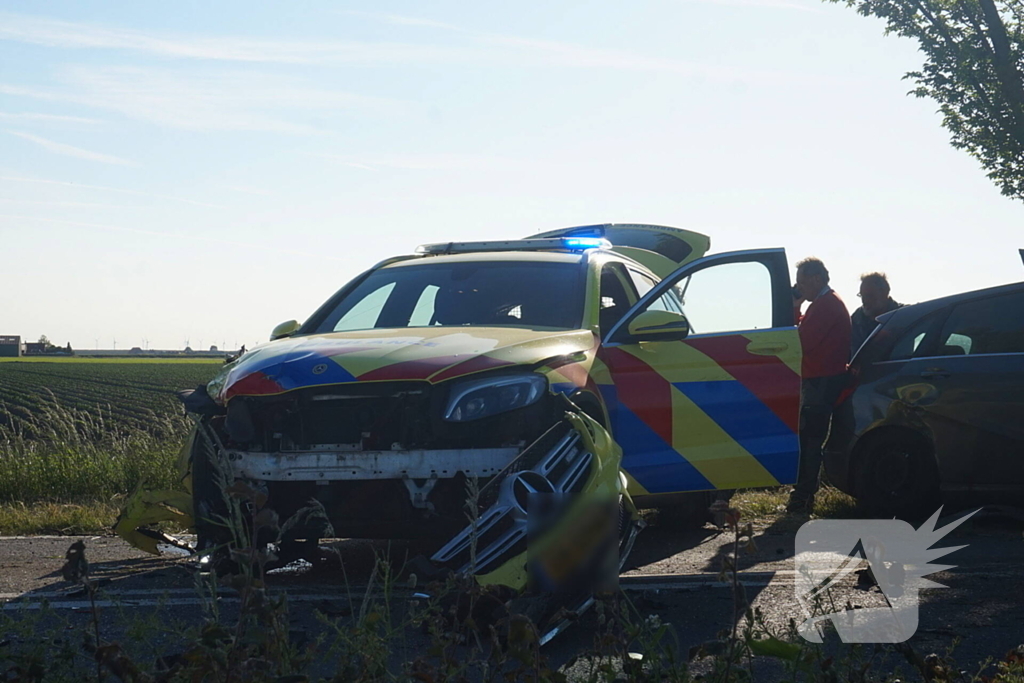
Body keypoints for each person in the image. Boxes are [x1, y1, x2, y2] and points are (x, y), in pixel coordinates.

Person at [787, 257, 851, 513]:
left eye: (802, 282)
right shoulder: (826, 303)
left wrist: (794, 308)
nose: (799, 287)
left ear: (816, 279)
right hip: (821, 380)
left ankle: (802, 496)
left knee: (809, 442)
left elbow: (800, 342)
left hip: (820, 382)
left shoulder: (825, 305)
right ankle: (803, 494)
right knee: (810, 440)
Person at [850, 272, 902, 354]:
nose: (865, 301)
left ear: (885, 293)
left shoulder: (901, 316)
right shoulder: (857, 318)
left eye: (870, 296)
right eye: (862, 296)